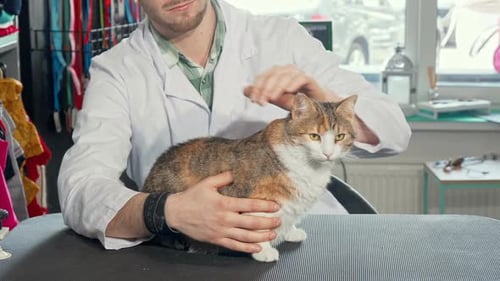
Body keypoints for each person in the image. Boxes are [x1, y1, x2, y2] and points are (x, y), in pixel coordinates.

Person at [58, 0, 411, 254]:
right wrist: (166, 210)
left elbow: (396, 131)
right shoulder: (116, 70)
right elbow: (79, 188)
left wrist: (325, 101)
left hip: (308, 246)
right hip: (193, 258)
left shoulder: (283, 37)